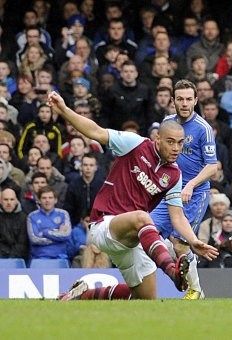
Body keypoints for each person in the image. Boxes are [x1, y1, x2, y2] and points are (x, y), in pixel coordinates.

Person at [48, 91, 218, 301]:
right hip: (105, 224)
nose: (176, 148)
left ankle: (80, 296)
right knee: (143, 217)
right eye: (170, 142)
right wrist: (64, 110)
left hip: (132, 238)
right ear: (158, 139)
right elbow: (96, 131)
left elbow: (177, 216)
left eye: (180, 143)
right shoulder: (134, 144)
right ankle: (173, 272)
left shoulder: (174, 174)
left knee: (145, 298)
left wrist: (193, 241)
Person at [149, 79, 219, 300]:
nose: (185, 103)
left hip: (194, 194)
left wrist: (190, 184)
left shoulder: (203, 129)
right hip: (168, 191)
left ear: (196, 100)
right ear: (173, 101)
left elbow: (212, 166)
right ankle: (152, 281)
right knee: (146, 231)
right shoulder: (167, 123)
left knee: (180, 242)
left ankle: (196, 290)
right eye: (180, 99)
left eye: (189, 99)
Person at [27, 186, 71, 261]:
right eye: (44, 198)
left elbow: (66, 235)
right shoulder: (32, 216)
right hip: (39, 258)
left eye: (50, 198)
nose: (47, 200)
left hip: (60, 257)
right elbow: (34, 239)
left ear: (55, 200)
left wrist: (45, 232)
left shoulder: (63, 214)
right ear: (39, 200)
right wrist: (57, 235)